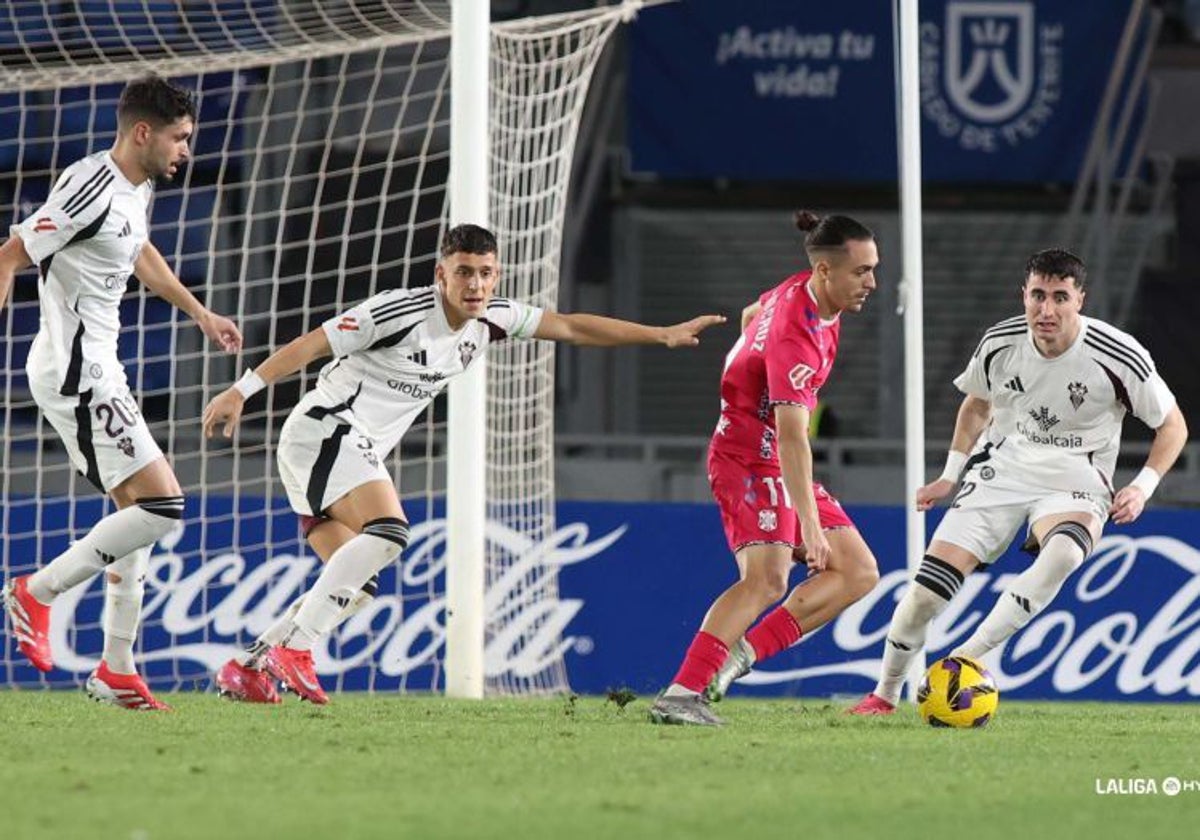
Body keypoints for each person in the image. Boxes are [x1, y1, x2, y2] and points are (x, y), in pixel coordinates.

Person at [203, 223, 725, 704]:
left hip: (343, 449)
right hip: (324, 430)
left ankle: (248, 667)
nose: (475, 285)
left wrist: (660, 334)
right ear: (441, 274)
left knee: (353, 590)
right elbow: (313, 343)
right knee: (389, 531)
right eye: (464, 273)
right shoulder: (399, 312)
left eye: (485, 273)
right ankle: (296, 650)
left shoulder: (491, 319)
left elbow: (569, 326)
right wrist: (241, 390)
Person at [849, 248, 1188, 715]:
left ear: (1080, 300)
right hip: (1001, 472)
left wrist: (1142, 486)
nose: (1047, 310)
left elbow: (1173, 425)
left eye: (1060, 298)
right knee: (926, 594)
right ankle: (883, 695)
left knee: (1065, 552)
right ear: (1023, 295)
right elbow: (976, 405)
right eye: (1038, 296)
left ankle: (964, 660)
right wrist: (950, 475)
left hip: (1075, 479)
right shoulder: (1001, 342)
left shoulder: (1118, 353)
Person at [0, 76, 243, 710]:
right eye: (179, 138)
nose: (186, 150)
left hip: (101, 366)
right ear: (143, 133)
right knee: (164, 505)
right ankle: (37, 592)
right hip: (77, 373)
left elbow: (141, 255)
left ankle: (115, 667)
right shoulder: (88, 185)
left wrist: (201, 313)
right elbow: (9, 254)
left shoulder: (136, 190)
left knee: (132, 517)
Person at [648, 211, 882, 726]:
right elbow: (795, 437)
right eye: (861, 271)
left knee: (859, 572)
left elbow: (752, 312)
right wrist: (812, 529)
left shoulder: (801, 291)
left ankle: (736, 656)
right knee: (767, 579)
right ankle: (682, 693)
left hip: (768, 452)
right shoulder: (797, 336)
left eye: (872, 269)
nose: (872, 282)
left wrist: (747, 365)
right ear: (825, 271)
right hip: (749, 458)